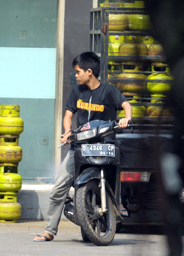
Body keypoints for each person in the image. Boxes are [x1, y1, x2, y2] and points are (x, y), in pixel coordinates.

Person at [33, 51, 132, 242]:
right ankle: (49, 230)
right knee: (59, 188)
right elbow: (68, 115)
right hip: (80, 147)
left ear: (89, 72)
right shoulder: (77, 92)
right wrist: (67, 131)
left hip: (104, 144)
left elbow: (125, 104)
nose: (76, 75)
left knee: (119, 176)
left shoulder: (109, 91)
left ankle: (117, 204)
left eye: (78, 72)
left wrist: (126, 119)